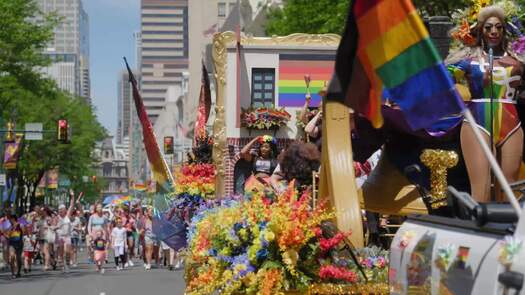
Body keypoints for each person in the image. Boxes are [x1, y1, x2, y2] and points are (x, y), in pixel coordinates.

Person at [447, 5, 525, 202]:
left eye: (499, 27)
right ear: (480, 29)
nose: (493, 31)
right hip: (477, 123)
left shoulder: (517, 61)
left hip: (511, 124)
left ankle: (509, 232)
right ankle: (479, 231)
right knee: (480, 190)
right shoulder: (469, 60)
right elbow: (442, 80)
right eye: (488, 27)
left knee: (510, 191)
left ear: (505, 29)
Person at [6, 214, 23, 279]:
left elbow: (24, 232)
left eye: (10, 219)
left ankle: (18, 272)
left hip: (19, 243)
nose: (9, 220)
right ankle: (13, 273)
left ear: (13, 219)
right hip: (12, 243)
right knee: (12, 256)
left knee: (18, 258)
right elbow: (7, 234)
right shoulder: (9, 226)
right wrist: (9, 235)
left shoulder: (20, 225)